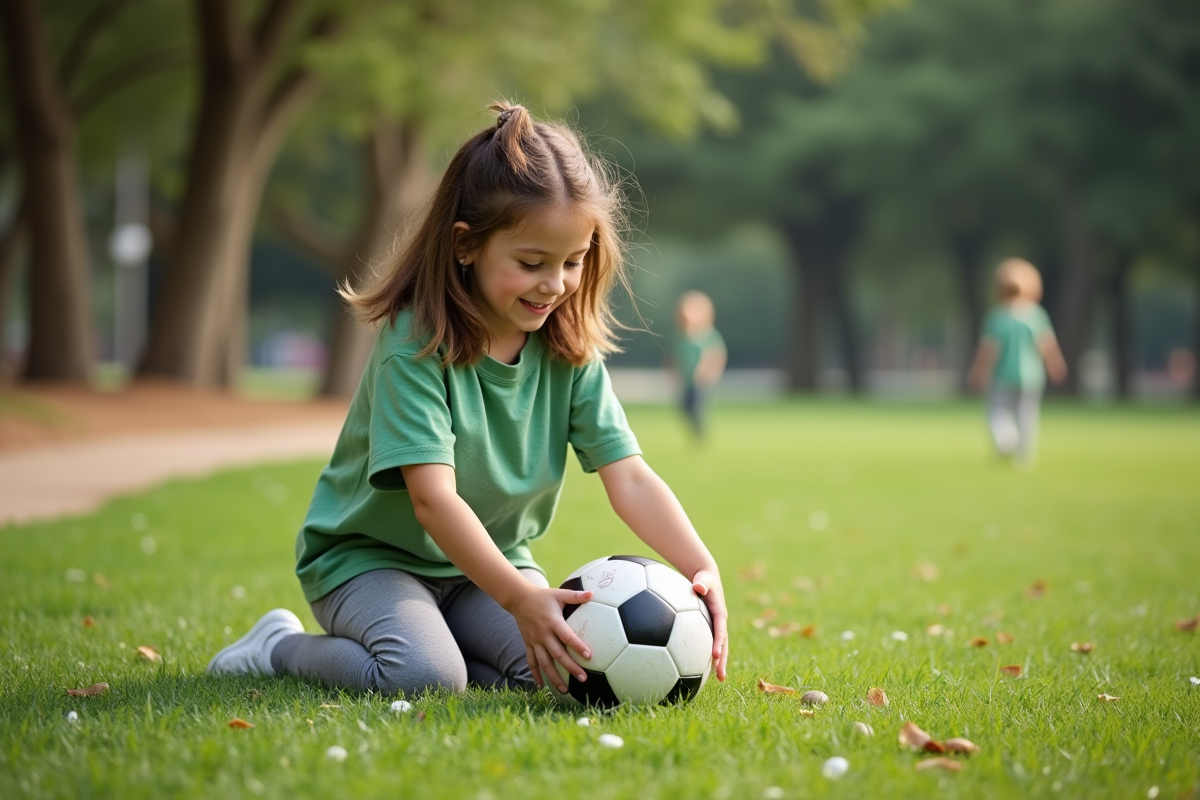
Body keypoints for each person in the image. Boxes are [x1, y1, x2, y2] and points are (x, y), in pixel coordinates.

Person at [206, 103, 728, 697]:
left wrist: (700, 565)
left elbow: (629, 478)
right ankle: (278, 647)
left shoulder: (569, 351)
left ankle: (456, 645)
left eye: (573, 262)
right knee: (425, 676)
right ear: (466, 245)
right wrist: (520, 597)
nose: (554, 284)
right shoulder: (416, 342)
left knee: (561, 673)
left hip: (490, 562)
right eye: (531, 263)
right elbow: (432, 499)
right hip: (372, 562)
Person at [967, 257, 1067, 466]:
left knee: (998, 411)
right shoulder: (1036, 316)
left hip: (1003, 375)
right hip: (1031, 376)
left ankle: (1006, 438)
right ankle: (1024, 458)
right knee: (1027, 417)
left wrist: (978, 371)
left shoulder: (997, 317)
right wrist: (1055, 365)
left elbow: (989, 350)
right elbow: (1047, 345)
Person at [672, 291, 727, 438]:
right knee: (684, 406)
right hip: (687, 380)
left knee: (696, 405)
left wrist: (710, 372)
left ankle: (700, 429)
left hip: (701, 381)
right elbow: (675, 356)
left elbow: (716, 354)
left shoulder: (707, 335)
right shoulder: (680, 337)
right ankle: (695, 428)